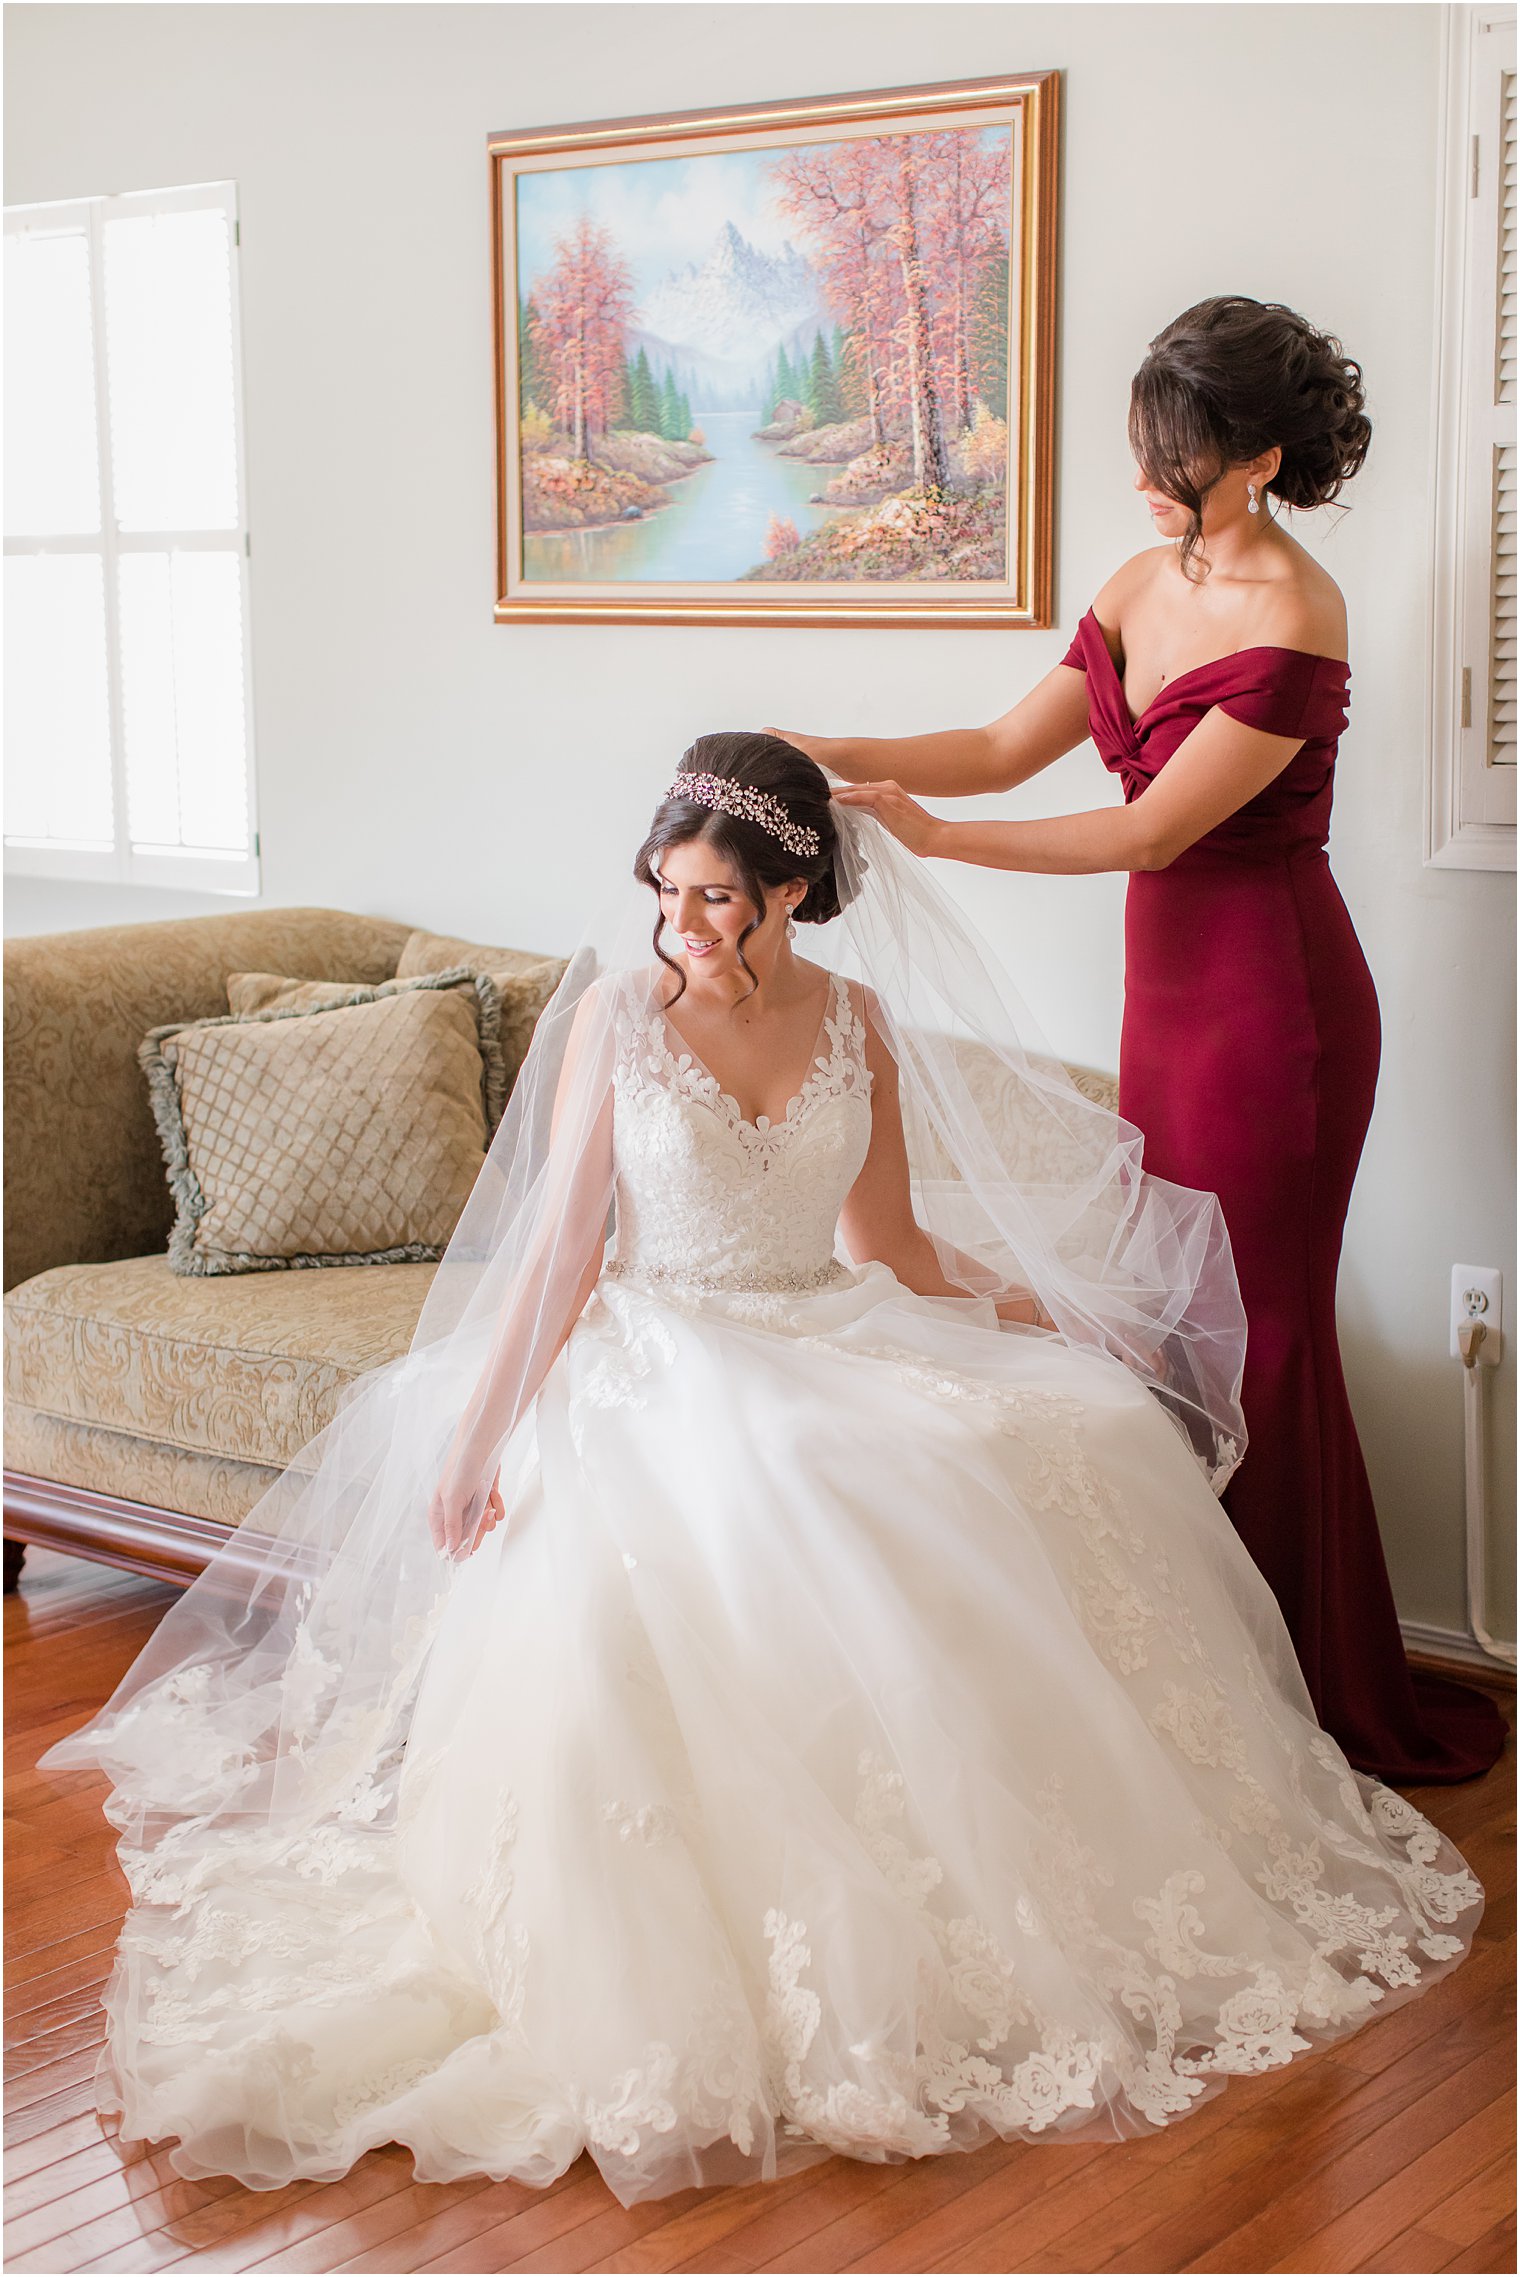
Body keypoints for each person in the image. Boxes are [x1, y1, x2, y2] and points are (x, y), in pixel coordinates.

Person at [39, 735, 1482, 2209]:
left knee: (1063, 1437)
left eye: (722, 899)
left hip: (826, 1330)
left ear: (796, 888)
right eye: (668, 894)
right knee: (764, 1497)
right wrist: (477, 1438)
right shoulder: (620, 1019)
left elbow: (892, 1249)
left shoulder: (855, 1017)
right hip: (658, 1356)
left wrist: (1045, 1311)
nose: (688, 929)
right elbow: (563, 1252)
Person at [787, 296, 1506, 1788]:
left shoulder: (1303, 612)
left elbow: (1153, 829)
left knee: (1269, 1330)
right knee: (1183, 1323)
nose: (1142, 482)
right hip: (1166, 1002)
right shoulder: (1135, 577)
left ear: (1252, 461)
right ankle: (1207, 1671)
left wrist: (942, 844)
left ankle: (1309, 1690)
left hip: (1274, 1009)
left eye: (1169, 458)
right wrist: (828, 750)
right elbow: (998, 746)